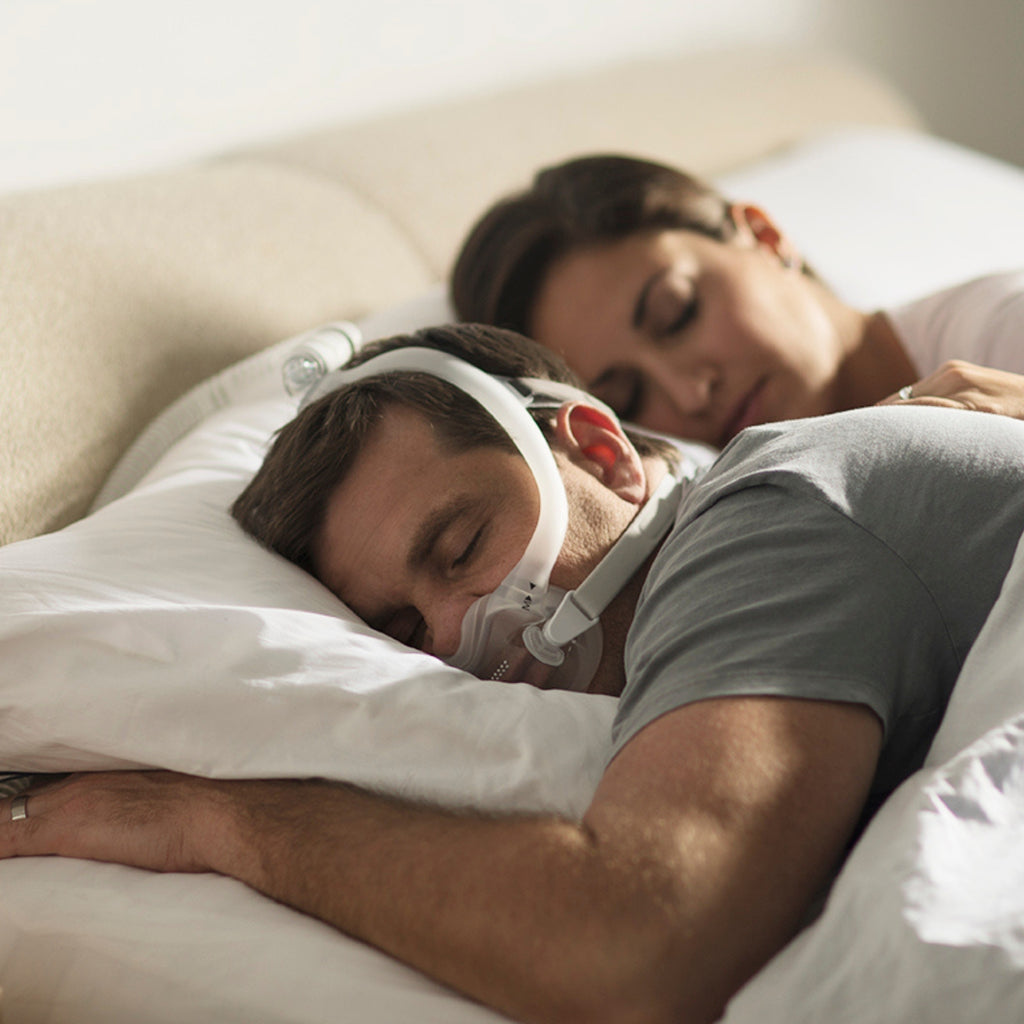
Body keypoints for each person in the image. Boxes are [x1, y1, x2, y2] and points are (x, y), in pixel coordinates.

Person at [5, 322, 1024, 1024]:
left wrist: (211, 822)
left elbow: (641, 945)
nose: (462, 629)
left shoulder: (772, 506)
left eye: (460, 546)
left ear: (599, 449)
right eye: (402, 626)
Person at [452, 153, 1024, 444]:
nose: (688, 394)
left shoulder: (1000, 327)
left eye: (677, 314)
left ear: (765, 236)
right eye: (627, 397)